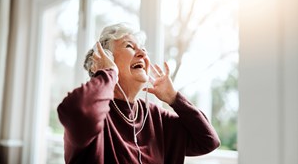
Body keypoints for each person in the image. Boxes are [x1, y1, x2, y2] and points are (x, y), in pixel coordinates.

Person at [57, 22, 220, 164]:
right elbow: (77, 111)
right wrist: (107, 73)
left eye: (142, 49)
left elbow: (208, 141)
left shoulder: (155, 116)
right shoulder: (93, 112)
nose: (142, 54)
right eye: (129, 46)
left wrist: (175, 99)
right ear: (107, 60)